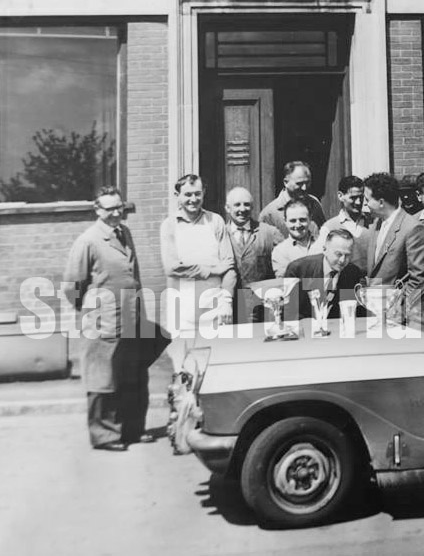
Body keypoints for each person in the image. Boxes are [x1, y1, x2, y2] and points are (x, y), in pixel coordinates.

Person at [64, 186, 157, 451]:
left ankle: (132, 430)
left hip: (131, 317)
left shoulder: (124, 233)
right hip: (103, 321)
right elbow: (73, 288)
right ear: (97, 210)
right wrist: (95, 311)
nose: (117, 213)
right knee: (102, 379)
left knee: (133, 377)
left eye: (120, 207)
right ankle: (105, 435)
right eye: (110, 209)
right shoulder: (88, 241)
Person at [160, 174, 236, 373]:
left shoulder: (216, 221)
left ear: (204, 193)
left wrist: (226, 301)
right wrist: (210, 270)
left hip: (213, 308)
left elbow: (228, 266)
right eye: (187, 194)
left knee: (215, 368)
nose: (193, 199)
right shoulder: (169, 226)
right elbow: (172, 267)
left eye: (197, 194)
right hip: (181, 310)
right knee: (183, 370)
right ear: (177, 195)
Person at [363, 172, 424, 293]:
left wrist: (396, 307)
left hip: (396, 309)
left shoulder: (413, 229)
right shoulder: (376, 224)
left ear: (381, 202)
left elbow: (419, 280)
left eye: (367, 200)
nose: (365, 204)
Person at [224, 186, 283, 322]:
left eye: (247, 205)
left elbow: (282, 267)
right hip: (230, 308)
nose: (242, 209)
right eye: (237, 205)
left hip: (262, 308)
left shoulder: (269, 232)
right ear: (228, 208)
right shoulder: (220, 234)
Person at [285, 229, 364, 319]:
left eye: (347, 255)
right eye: (338, 254)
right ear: (324, 249)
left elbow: (355, 312)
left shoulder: (353, 273)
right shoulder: (298, 270)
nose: (342, 260)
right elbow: (288, 312)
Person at [315, 175, 369, 272]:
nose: (358, 202)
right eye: (353, 198)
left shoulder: (374, 222)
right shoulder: (329, 227)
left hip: (372, 283)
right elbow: (319, 262)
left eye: (361, 197)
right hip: (343, 284)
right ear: (340, 196)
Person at [259, 161, 327, 239]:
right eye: (299, 183)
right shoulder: (270, 214)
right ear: (286, 182)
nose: (304, 188)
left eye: (307, 182)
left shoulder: (314, 203)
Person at [272, 200, 320, 277]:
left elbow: (331, 279)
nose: (298, 225)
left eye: (302, 220)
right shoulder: (280, 251)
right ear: (285, 221)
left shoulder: (322, 244)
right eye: (293, 221)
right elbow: (288, 284)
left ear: (310, 219)